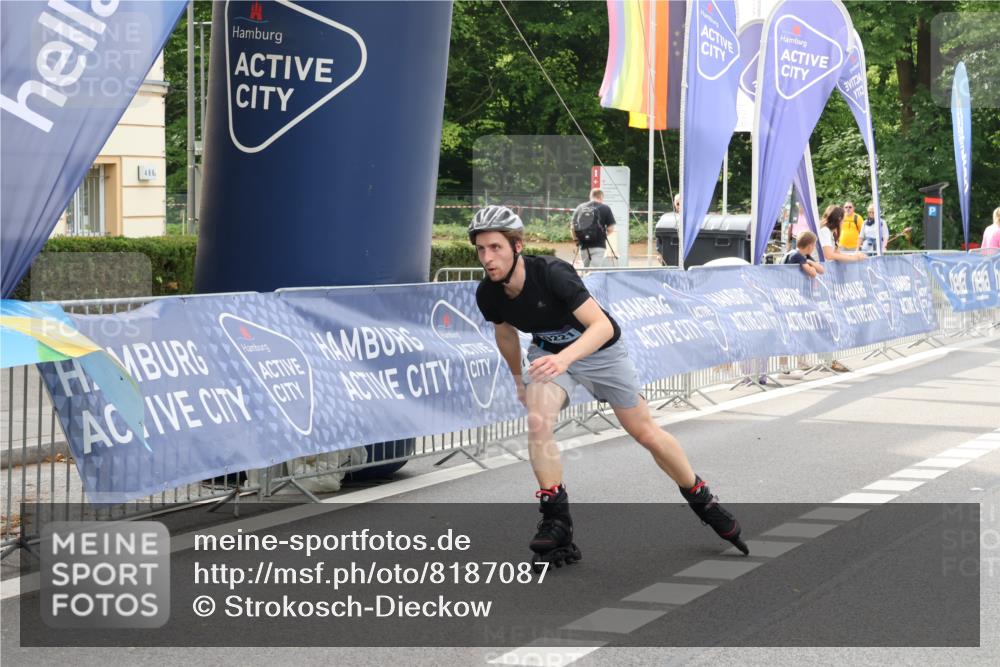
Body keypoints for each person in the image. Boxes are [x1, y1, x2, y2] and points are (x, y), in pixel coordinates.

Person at [469, 205, 749, 568]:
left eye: (496, 248)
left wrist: (565, 359)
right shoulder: (488, 293)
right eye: (481, 250)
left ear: (517, 246)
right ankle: (556, 518)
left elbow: (600, 327)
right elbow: (504, 333)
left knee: (644, 432)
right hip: (551, 354)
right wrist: (519, 379)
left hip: (600, 352)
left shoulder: (553, 273)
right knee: (538, 421)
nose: (488, 258)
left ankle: (702, 498)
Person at [818, 205, 864, 373]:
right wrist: (853, 258)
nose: (844, 223)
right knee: (827, 319)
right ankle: (827, 360)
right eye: (843, 220)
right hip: (821, 280)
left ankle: (828, 359)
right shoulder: (824, 232)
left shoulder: (828, 233)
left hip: (825, 279)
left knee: (828, 320)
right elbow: (829, 256)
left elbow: (833, 253)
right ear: (838, 220)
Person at [570, 188, 616, 267]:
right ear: (601, 197)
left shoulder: (580, 207)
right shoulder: (606, 208)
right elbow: (610, 229)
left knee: (585, 270)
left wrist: (576, 240)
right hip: (599, 245)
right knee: (593, 272)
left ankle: (585, 279)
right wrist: (603, 235)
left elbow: (572, 227)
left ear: (590, 196)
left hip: (584, 245)